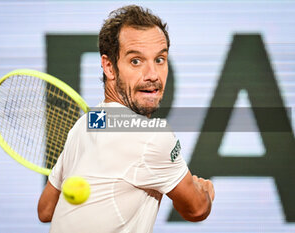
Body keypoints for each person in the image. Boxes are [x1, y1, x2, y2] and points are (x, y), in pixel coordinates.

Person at [38, 5, 215, 233]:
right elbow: (196, 209)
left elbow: (45, 210)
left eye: (160, 59)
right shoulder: (152, 137)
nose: (152, 75)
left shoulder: (87, 124)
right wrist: (205, 192)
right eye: (136, 61)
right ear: (109, 67)